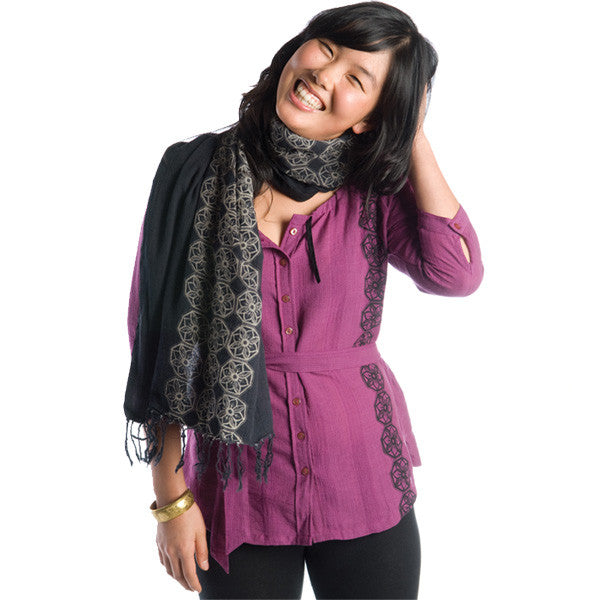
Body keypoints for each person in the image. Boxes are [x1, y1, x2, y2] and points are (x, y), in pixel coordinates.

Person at [124, 2, 484, 598]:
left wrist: (411, 129)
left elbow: (457, 273)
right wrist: (171, 499)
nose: (325, 74)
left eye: (358, 79)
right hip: (239, 490)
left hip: (361, 477)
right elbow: (155, 344)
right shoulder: (194, 174)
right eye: (328, 49)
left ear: (372, 116)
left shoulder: (375, 190)